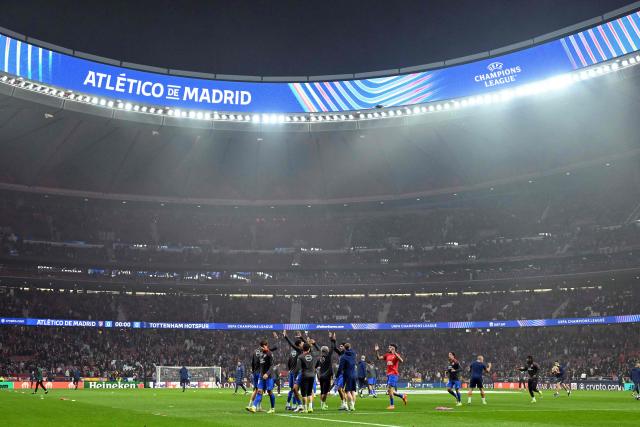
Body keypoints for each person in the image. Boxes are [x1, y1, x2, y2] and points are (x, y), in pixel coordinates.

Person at [247, 340, 277, 414]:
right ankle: (254, 407)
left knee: (269, 391)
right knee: (259, 391)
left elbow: (272, 365)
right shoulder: (260, 354)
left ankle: (272, 408)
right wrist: (260, 373)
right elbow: (261, 365)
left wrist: (267, 373)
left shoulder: (270, 354)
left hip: (269, 376)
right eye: (261, 347)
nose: (262, 348)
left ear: (265, 346)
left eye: (263, 347)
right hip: (261, 376)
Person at [375, 343, 408, 410]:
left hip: (394, 374)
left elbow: (401, 361)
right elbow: (378, 358)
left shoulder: (396, 355)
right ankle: (402, 396)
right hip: (389, 374)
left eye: (390, 347)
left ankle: (392, 405)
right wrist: (377, 351)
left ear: (394, 348)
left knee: (390, 390)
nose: (389, 348)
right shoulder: (387, 355)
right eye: (389, 347)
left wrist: (395, 353)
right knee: (389, 391)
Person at [283, 330, 304, 411]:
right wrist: (286, 337)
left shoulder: (292, 352)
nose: (303, 344)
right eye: (302, 343)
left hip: (291, 371)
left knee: (292, 389)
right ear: (299, 345)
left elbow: (288, 362)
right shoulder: (299, 350)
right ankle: (295, 405)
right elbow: (291, 343)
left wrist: (290, 370)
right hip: (296, 372)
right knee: (296, 389)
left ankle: (288, 404)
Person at [296, 342, 319, 413]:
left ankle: (305, 409)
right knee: (309, 392)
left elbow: (298, 368)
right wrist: (315, 344)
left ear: (303, 348)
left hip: (304, 375)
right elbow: (319, 351)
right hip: (312, 375)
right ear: (309, 349)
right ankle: (310, 407)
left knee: (304, 393)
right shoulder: (313, 355)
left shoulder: (300, 357)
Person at [337, 341, 357, 411]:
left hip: (347, 375)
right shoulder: (354, 354)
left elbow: (340, 368)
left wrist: (337, 375)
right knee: (353, 391)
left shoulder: (343, 357)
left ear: (344, 348)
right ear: (350, 347)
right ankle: (353, 405)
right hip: (354, 374)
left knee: (347, 391)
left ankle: (351, 406)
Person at [330, 332, 348, 410]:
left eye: (341, 346)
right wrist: (333, 340)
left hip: (345, 373)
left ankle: (346, 404)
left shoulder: (347, 353)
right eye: (340, 346)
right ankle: (344, 403)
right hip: (340, 373)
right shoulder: (341, 354)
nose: (340, 347)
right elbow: (334, 348)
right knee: (339, 389)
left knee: (341, 389)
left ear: (345, 347)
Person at [317, 345, 334, 410]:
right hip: (327, 376)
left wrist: (315, 344)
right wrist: (333, 341)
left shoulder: (320, 358)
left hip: (321, 376)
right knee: (325, 392)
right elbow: (332, 348)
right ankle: (323, 404)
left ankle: (322, 404)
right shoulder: (328, 357)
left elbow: (316, 367)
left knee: (322, 391)